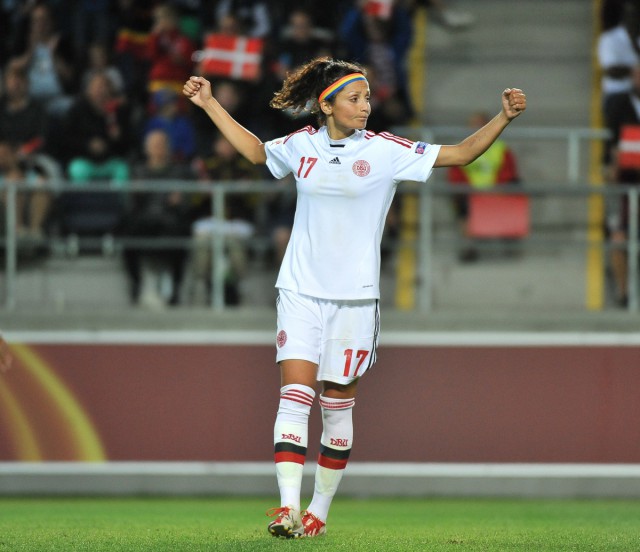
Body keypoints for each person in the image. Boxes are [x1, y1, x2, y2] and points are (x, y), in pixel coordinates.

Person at [182, 57, 526, 538]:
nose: (366, 107)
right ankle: (286, 509)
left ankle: (318, 512)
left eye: (367, 98)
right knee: (294, 395)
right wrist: (209, 103)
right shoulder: (300, 145)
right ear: (327, 104)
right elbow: (258, 154)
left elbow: (463, 153)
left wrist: (505, 117)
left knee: (337, 405)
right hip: (300, 289)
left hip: (355, 299)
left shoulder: (387, 150)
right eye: (355, 99)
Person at [447, 111, 521, 262]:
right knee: (461, 200)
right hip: (471, 194)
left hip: (496, 193)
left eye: (478, 125)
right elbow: (455, 175)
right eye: (472, 125)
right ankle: (470, 245)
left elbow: (509, 173)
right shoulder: (460, 149)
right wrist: (471, 191)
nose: (474, 128)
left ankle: (509, 238)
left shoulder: (501, 149)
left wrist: (496, 190)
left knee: (515, 188)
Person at [603, 63, 640, 307]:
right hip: (626, 186)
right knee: (618, 238)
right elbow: (612, 144)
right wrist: (613, 166)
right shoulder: (618, 103)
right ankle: (624, 294)